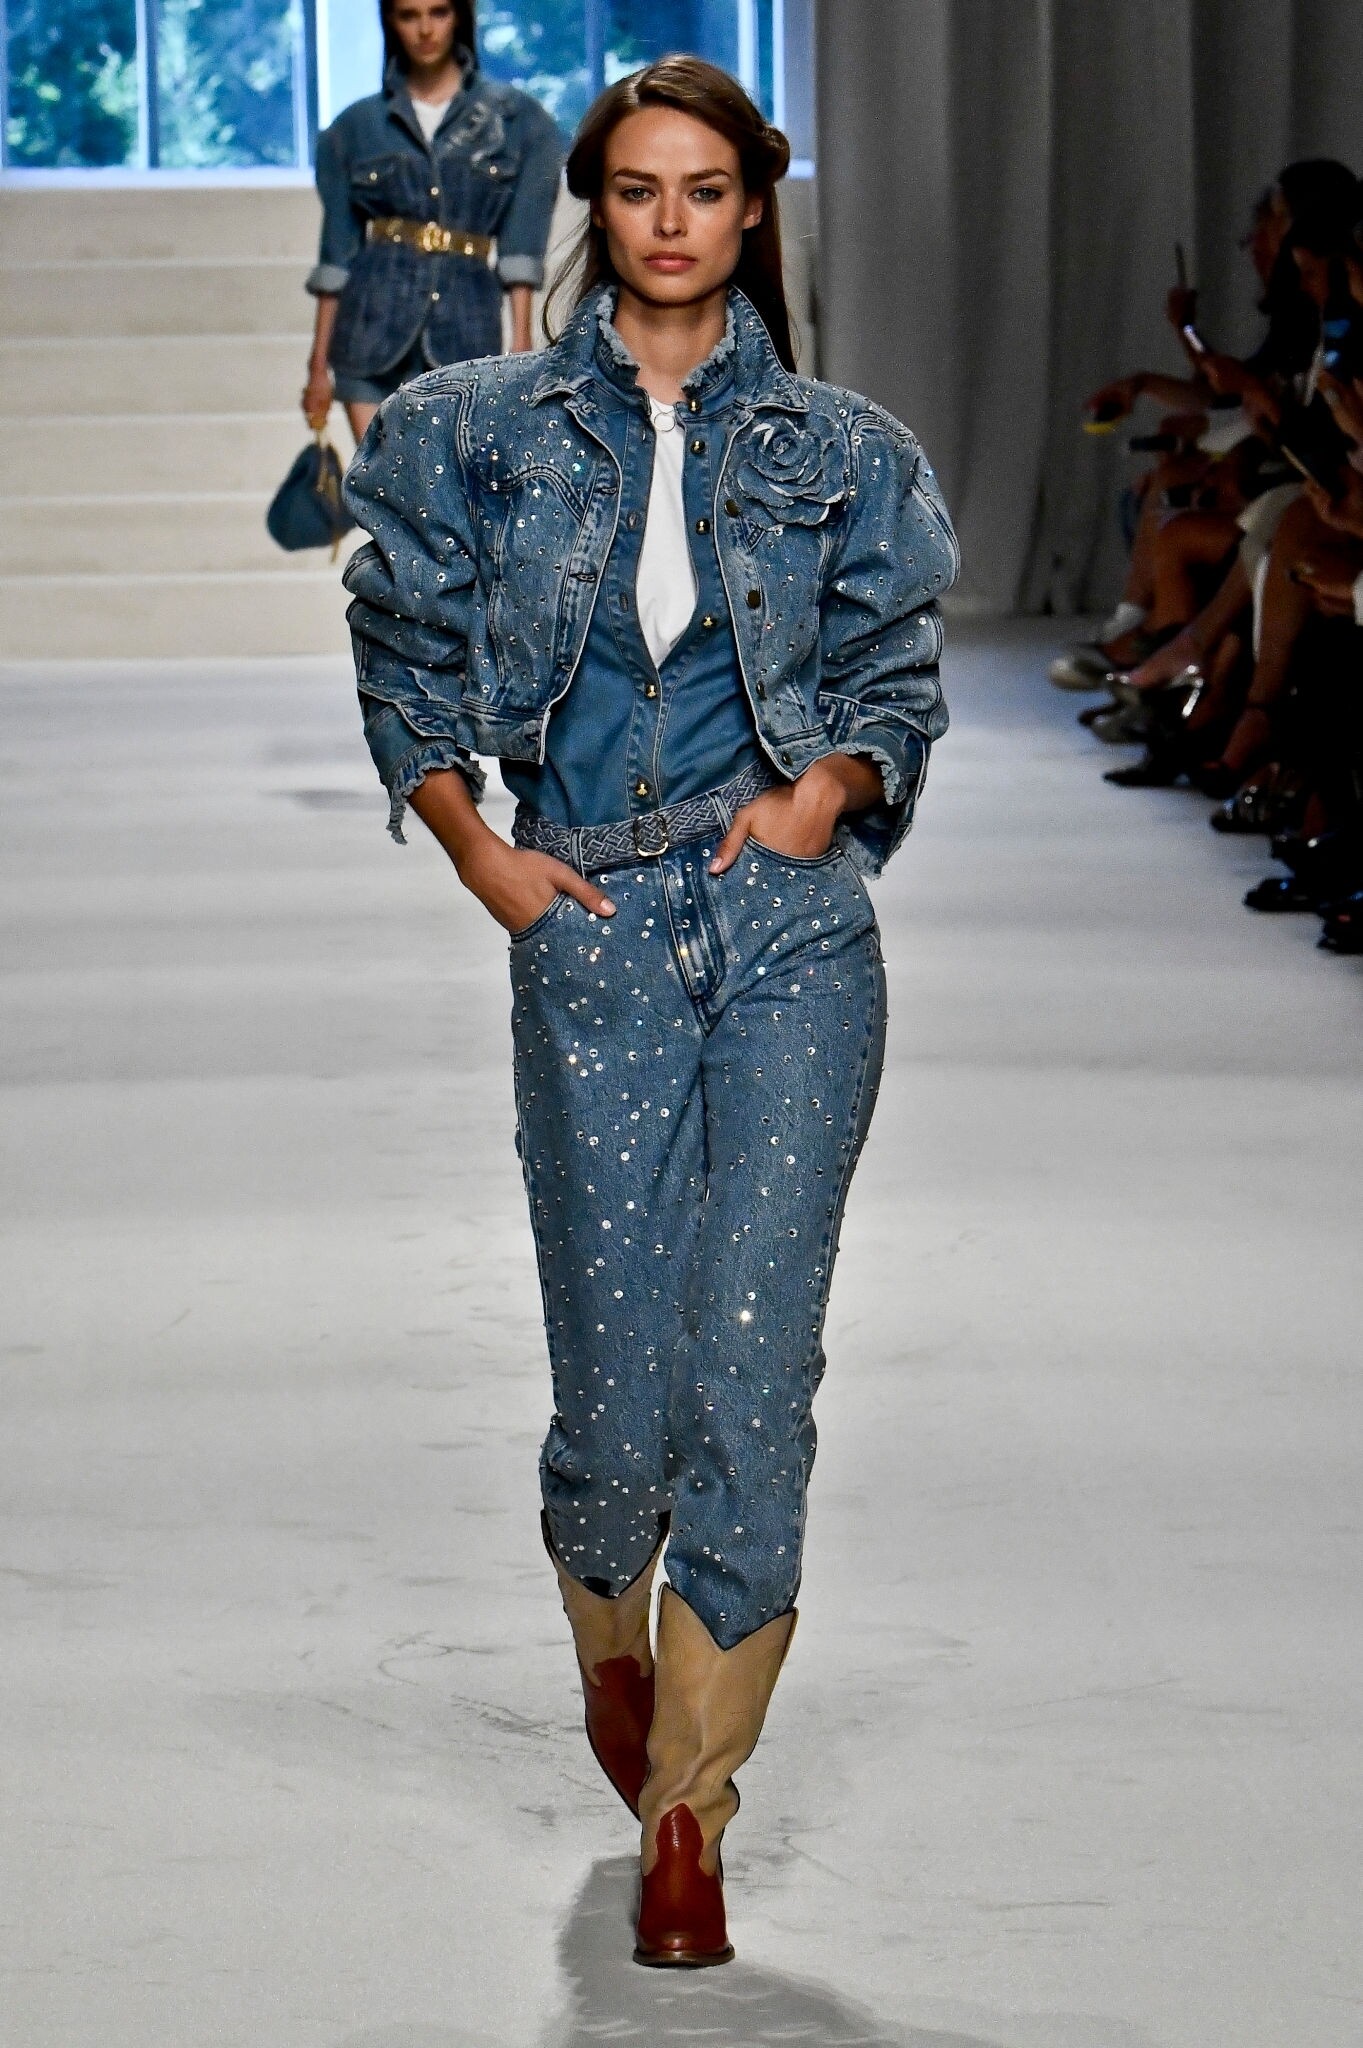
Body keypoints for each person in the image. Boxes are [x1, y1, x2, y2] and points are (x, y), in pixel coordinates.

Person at [342, 54, 957, 1966]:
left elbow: (897, 670)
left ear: (750, 207)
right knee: (617, 1399)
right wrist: (479, 850)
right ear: (594, 206)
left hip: (789, 929)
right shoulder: (471, 430)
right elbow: (396, 639)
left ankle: (689, 1804)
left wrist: (828, 790)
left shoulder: (844, 447)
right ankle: (610, 1621)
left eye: (703, 189)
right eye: (635, 188)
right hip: (590, 919)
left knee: (754, 1366)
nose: (670, 221)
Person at [302, 0, 562, 442]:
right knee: (380, 482)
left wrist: (520, 351)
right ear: (390, 21)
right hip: (368, 330)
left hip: (466, 332)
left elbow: (522, 248)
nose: (425, 29)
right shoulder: (356, 128)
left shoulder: (518, 122)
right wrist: (317, 367)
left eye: (438, 12)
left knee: (447, 482)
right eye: (409, 15)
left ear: (459, 16)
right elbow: (336, 255)